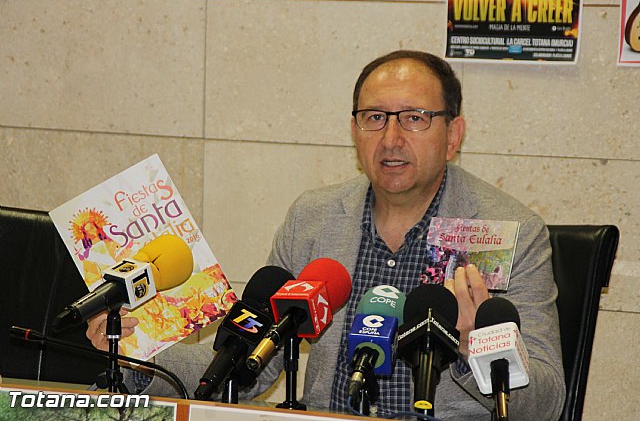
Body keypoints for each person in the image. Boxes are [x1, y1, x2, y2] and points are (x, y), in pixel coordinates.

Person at [87, 50, 565, 420]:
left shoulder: (511, 232)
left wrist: (471, 349)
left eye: (414, 117)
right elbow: (247, 371)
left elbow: (546, 404)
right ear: (354, 131)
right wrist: (134, 353)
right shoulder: (313, 219)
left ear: (453, 134)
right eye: (374, 117)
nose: (391, 138)